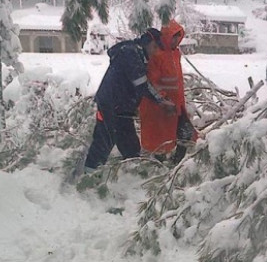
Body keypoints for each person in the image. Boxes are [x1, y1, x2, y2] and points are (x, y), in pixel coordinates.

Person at [84, 29, 176, 173]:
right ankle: (88, 178)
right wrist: (161, 101)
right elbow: (141, 83)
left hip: (123, 108)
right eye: (155, 47)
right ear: (148, 42)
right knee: (103, 143)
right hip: (110, 105)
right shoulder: (130, 53)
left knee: (131, 146)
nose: (155, 52)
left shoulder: (137, 54)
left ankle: (131, 179)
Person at [139, 20, 198, 164]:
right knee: (159, 138)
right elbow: (152, 81)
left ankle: (176, 162)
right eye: (174, 37)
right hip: (160, 106)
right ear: (166, 36)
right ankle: (160, 164)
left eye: (178, 37)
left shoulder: (175, 53)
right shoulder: (156, 54)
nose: (176, 40)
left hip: (176, 104)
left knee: (185, 133)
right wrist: (163, 99)